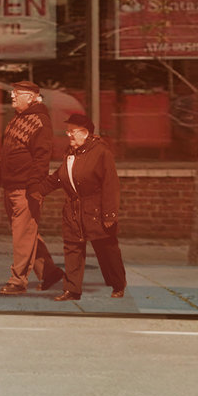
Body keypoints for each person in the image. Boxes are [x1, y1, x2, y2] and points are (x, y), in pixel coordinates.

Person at [0, 80, 64, 296]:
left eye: (17, 93)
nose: (12, 97)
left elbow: (42, 158)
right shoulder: (15, 121)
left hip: (26, 188)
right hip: (10, 187)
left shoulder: (40, 121)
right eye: (12, 93)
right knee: (27, 232)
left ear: (31, 97)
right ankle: (50, 273)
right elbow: (5, 155)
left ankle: (18, 281)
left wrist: (35, 187)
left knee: (21, 235)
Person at [53, 111, 125, 302]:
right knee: (72, 250)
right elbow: (59, 177)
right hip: (73, 212)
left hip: (96, 212)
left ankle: (118, 284)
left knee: (107, 250)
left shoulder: (102, 153)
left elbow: (111, 185)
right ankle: (72, 290)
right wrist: (36, 190)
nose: (68, 134)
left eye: (72, 131)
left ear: (85, 133)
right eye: (67, 131)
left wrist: (110, 215)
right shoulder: (70, 152)